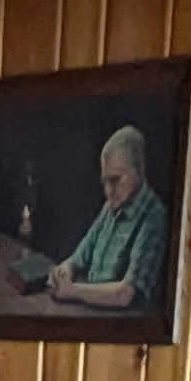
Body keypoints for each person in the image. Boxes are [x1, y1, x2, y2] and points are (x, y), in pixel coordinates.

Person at [20, 123, 170, 322]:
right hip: (91, 316)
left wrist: (72, 291)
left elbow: (126, 294)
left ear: (138, 171)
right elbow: (79, 257)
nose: (108, 191)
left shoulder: (154, 216)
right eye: (104, 181)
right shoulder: (110, 207)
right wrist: (63, 271)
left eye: (115, 180)